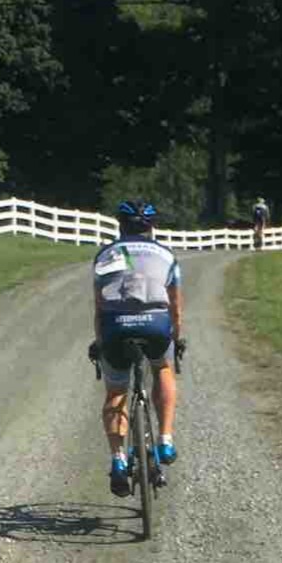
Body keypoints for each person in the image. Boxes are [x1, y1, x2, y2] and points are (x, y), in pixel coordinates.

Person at [89, 199, 184, 497]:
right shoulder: (166, 255)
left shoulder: (106, 255)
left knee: (116, 391)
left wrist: (101, 342)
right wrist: (176, 338)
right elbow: (176, 307)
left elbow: (100, 305)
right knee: (163, 367)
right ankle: (165, 439)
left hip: (116, 325)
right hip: (156, 324)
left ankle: (118, 460)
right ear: (151, 226)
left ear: (120, 225)